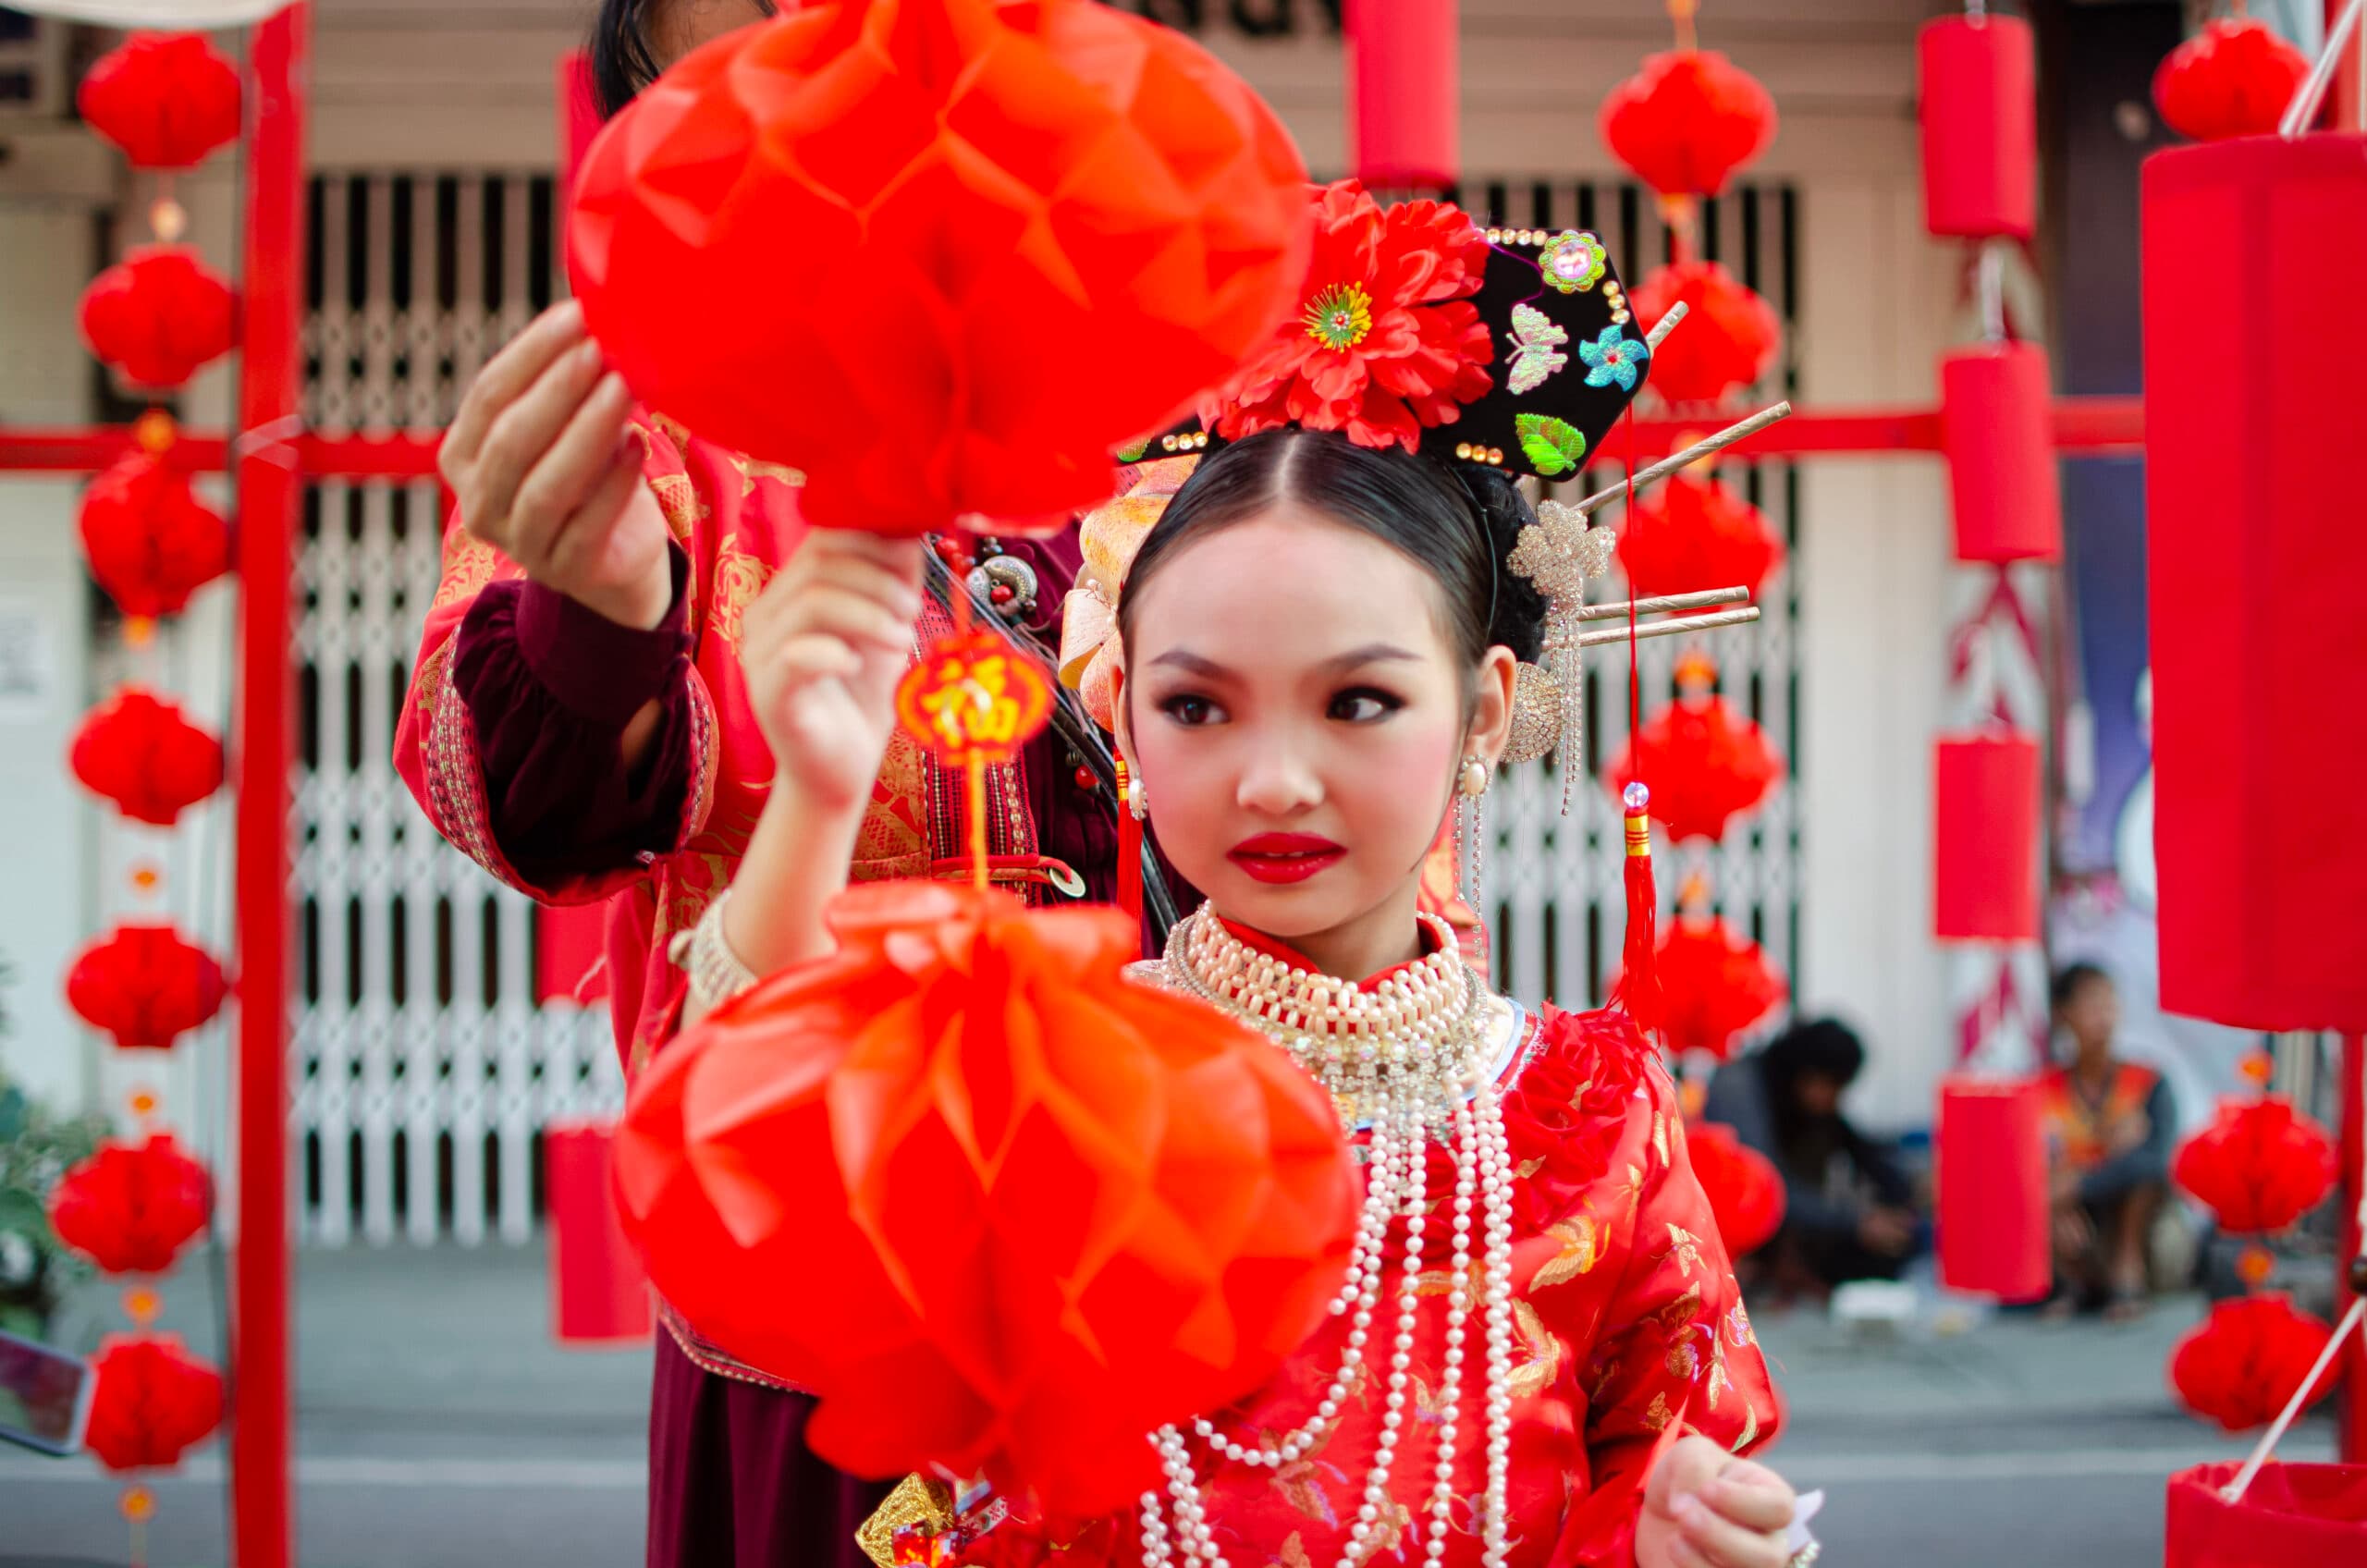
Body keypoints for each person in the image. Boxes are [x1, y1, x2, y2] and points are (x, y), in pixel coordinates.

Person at [681, 186, 1803, 1568]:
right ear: (1126, 709)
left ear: (1490, 709)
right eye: (1202, 707)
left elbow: (1670, 1458)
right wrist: (814, 791)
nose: (1273, 780)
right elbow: (753, 1212)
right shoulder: (1042, 1077)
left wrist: (1673, 1530)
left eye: (1358, 703)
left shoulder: (1592, 1114)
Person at [392, 6, 1138, 1564]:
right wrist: (603, 609)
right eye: (767, 62)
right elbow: (528, 807)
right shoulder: (657, 428)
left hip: (1182, 1247)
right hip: (812, 1290)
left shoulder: (1172, 393)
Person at [1703, 1019, 1922, 1301]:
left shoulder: (1800, 1091)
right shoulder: (1738, 1089)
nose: (1831, 1100)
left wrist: (1911, 1184)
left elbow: (1858, 1146)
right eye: (1831, 1086)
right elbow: (1769, 1191)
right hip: (1732, 1247)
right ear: (1807, 1073)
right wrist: (1857, 1221)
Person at [2038, 963, 2174, 1321]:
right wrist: (2059, 1197)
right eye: (2090, 1004)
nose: (2103, 1016)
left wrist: (2078, 1184)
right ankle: (2074, 1281)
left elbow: (2158, 1161)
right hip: (2072, 1216)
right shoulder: (2043, 1089)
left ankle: (2127, 1269)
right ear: (2064, 1015)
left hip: (2133, 1218)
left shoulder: (2147, 1081)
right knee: (2045, 1194)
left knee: (2142, 1176)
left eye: (2108, 1003)